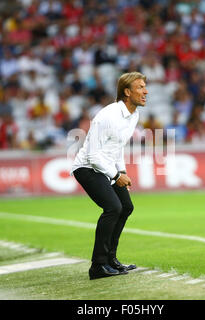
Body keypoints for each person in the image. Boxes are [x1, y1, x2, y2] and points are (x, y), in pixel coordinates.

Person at [71, 72, 148, 280]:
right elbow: (94, 156)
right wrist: (116, 176)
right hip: (87, 168)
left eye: (145, 86)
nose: (145, 91)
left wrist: (121, 172)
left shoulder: (134, 115)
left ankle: (111, 260)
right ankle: (98, 266)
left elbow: (117, 147)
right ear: (126, 92)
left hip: (107, 167)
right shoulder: (108, 116)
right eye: (140, 87)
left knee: (126, 207)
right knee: (113, 207)